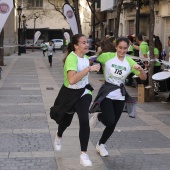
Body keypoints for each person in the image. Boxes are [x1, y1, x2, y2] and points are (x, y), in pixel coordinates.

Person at [89, 36, 147, 157]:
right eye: (120, 48)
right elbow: (91, 59)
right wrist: (97, 54)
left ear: (128, 49)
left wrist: (140, 69)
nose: (122, 51)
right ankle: (99, 116)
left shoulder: (130, 62)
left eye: (125, 48)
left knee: (113, 124)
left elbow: (143, 78)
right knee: (109, 120)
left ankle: (101, 144)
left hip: (120, 95)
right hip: (107, 92)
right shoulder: (108, 56)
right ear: (116, 47)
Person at [51, 34, 100, 167]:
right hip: (69, 94)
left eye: (87, 42)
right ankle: (59, 135)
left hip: (84, 92)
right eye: (83, 43)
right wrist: (89, 68)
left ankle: (83, 154)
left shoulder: (85, 57)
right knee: (65, 121)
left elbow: (89, 62)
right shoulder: (71, 59)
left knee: (84, 120)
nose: (87, 45)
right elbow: (72, 80)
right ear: (76, 45)